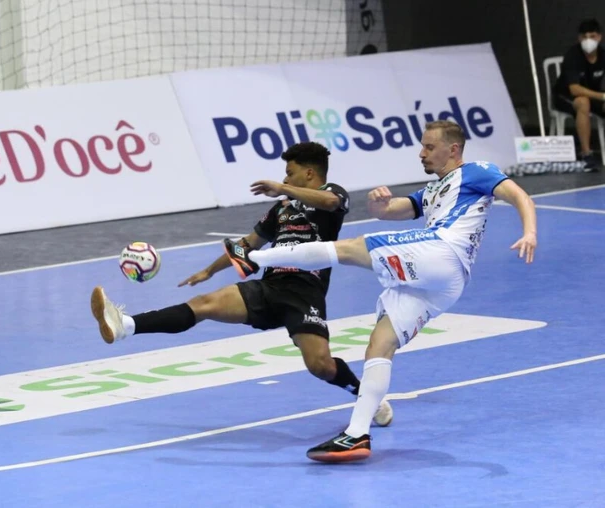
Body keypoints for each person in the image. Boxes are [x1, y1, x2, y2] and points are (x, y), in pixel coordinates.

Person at [223, 120, 538, 462]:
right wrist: (378, 205)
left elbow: (518, 195)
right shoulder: (432, 191)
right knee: (380, 344)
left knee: (348, 248)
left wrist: (530, 232)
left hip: (442, 252)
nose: (422, 153)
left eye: (429, 147)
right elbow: (392, 211)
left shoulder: (477, 171)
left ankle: (252, 256)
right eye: (422, 146)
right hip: (444, 283)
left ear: (454, 149)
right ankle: (357, 435)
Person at [91, 142, 393, 426]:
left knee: (321, 366)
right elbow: (248, 244)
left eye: (290, 172)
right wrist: (209, 270)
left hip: (304, 292)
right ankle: (126, 325)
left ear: (309, 173)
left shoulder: (332, 193)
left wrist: (282, 187)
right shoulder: (281, 209)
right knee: (204, 305)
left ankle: (365, 394)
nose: (284, 178)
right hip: (269, 286)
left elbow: (329, 202)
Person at [553, 18, 605, 168]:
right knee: (583, 102)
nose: (588, 40)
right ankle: (586, 153)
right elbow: (574, 89)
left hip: (592, 94)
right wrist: (602, 96)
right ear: (579, 38)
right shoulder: (573, 56)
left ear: (599, 37)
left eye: (592, 36)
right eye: (585, 37)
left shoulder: (602, 54)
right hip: (565, 97)